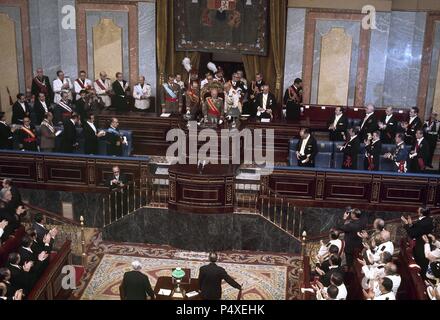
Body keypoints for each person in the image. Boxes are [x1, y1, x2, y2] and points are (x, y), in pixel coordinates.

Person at [401, 207, 434, 277]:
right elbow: (418, 229)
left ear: (421, 213)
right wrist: (411, 224)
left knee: (420, 263)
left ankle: (421, 277)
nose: (417, 211)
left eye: (418, 211)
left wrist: (406, 224)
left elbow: (413, 234)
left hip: (421, 246)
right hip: (424, 242)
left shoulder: (422, 223)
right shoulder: (428, 219)